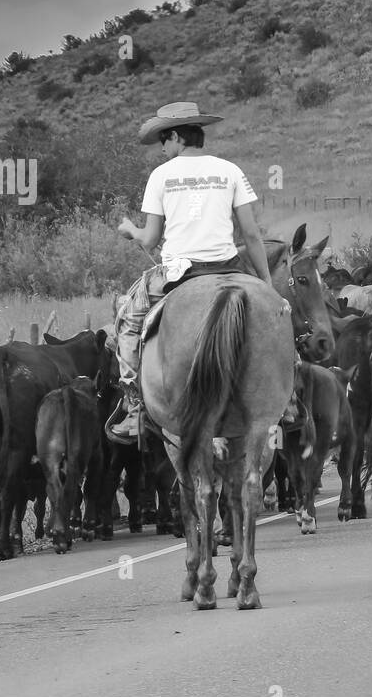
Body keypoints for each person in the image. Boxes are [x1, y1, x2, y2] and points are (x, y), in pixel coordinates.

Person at [106, 101, 272, 444]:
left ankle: (134, 404)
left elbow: (150, 239)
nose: (163, 149)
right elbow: (252, 235)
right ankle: (288, 398)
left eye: (164, 141)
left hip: (178, 273)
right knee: (276, 318)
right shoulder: (230, 170)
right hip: (229, 267)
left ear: (179, 137)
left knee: (129, 320)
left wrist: (130, 231)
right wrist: (268, 285)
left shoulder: (161, 177)